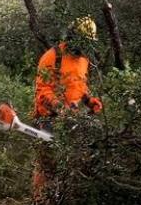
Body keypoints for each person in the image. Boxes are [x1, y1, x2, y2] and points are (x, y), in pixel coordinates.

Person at [32, 16, 103, 194]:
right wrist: (61, 109)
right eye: (83, 41)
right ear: (73, 37)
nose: (85, 45)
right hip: (49, 119)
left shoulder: (84, 59)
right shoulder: (52, 57)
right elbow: (43, 92)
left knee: (76, 161)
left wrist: (89, 100)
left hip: (74, 118)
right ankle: (42, 204)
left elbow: (80, 86)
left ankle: (66, 200)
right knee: (47, 165)